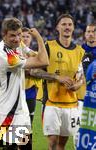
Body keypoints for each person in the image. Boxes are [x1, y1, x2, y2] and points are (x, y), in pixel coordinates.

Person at [0, 17, 49, 149]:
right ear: (4, 35)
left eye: (19, 34)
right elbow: (44, 61)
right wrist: (39, 38)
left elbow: (34, 54)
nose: (18, 39)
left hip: (21, 108)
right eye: (13, 35)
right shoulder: (7, 57)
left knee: (26, 147)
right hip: (8, 111)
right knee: (10, 148)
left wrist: (34, 54)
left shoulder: (14, 44)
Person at [42, 14, 85, 150]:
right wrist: (57, 77)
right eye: (64, 24)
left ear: (73, 28)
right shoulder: (48, 46)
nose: (67, 27)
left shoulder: (80, 51)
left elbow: (82, 77)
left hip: (71, 104)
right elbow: (35, 71)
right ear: (57, 27)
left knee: (62, 144)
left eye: (69, 25)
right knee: (53, 142)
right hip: (50, 102)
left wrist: (77, 85)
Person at [76, 25, 96, 150]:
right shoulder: (78, 51)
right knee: (79, 136)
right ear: (84, 34)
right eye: (88, 31)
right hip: (81, 99)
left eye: (94, 31)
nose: (91, 34)